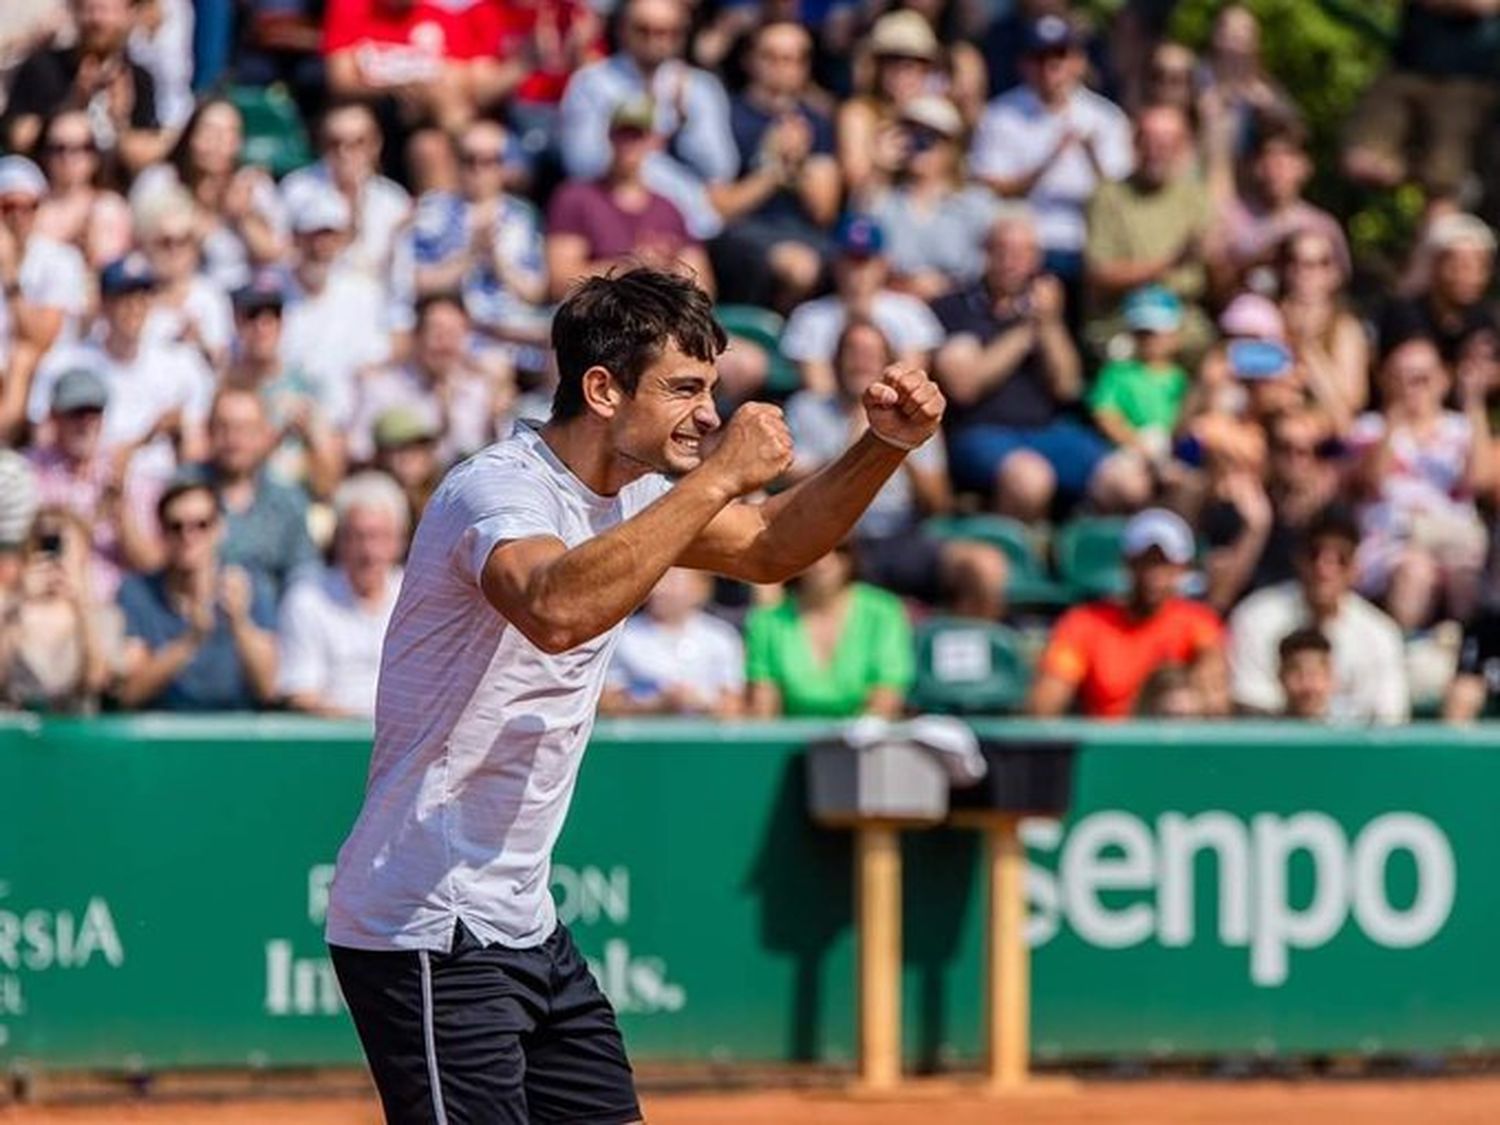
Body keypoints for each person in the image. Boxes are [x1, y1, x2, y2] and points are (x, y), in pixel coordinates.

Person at [324, 267, 944, 1125]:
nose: (707, 412)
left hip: (522, 921)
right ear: (604, 388)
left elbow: (769, 546)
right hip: (429, 922)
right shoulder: (496, 487)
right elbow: (554, 606)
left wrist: (884, 445)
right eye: (685, 388)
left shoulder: (637, 495)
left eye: (712, 389)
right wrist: (717, 478)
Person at [932, 206, 1144, 519]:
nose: (1010, 262)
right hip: (982, 432)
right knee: (1031, 480)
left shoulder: (1055, 311)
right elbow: (964, 385)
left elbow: (1067, 385)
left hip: (1050, 430)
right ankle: (1019, 557)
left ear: (1036, 259)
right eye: (1002, 250)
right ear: (986, 253)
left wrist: (1050, 326)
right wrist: (1026, 330)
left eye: (1021, 253)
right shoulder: (956, 307)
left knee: (1129, 482)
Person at [786, 318, 1007, 618]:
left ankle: (963, 654)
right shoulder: (809, 408)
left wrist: (899, 444)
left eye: (871, 354)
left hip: (903, 535)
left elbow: (938, 504)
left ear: (886, 364)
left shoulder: (917, 417)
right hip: (836, 540)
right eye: (853, 352)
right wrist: (856, 448)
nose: (861, 362)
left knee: (985, 566)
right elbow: (790, 485)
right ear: (837, 361)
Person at [970, 13, 1132, 286]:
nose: (1050, 67)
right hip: (1028, 240)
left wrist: (1092, 159)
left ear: (1078, 62)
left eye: (1059, 57)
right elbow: (989, 185)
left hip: (1088, 241)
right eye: (1039, 58)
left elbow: (1121, 193)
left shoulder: (1106, 117)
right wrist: (1047, 162)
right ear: (1024, 64)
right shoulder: (1000, 115)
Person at [558, 0, 737, 240]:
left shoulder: (700, 86)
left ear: (682, 33)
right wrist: (651, 151)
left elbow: (720, 169)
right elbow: (583, 162)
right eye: (643, 29)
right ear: (622, 28)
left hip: (688, 228)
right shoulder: (591, 82)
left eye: (666, 32)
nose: (655, 40)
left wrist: (686, 123)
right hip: (610, 214)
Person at [29, 253, 214, 486]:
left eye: (143, 296)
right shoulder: (64, 363)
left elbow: (196, 449)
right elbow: (44, 442)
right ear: (104, 303)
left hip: (160, 489)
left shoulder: (181, 363)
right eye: (124, 297)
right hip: (83, 485)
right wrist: (144, 438)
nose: (135, 307)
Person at [1349, 336, 1492, 631]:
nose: (1410, 387)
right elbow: (1371, 480)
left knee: (1465, 573)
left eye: (1421, 378)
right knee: (1416, 571)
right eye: (1399, 378)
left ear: (1443, 379)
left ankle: (1464, 654)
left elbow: (1480, 481)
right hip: (1391, 540)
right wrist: (1394, 420)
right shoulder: (1369, 428)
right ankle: (1402, 649)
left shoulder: (1461, 429)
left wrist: (1474, 402)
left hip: (1453, 538)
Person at [1028, 508, 1228, 719]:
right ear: (1128, 563)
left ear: (1183, 569)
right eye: (1145, 562)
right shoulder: (1083, 624)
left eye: (1164, 564)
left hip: (1172, 744)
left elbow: (1215, 699)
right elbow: (1044, 704)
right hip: (1108, 743)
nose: (1154, 575)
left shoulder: (1198, 622)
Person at [1228, 505, 1409, 724]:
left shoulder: (1380, 633)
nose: (1325, 569)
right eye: (1315, 554)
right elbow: (1251, 706)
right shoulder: (1255, 617)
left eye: (1340, 558)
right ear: (1299, 560)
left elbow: (1388, 718)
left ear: (1355, 567)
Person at [116, 473, 278, 711]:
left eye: (201, 524)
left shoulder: (250, 586)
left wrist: (240, 623)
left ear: (220, 528)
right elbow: (130, 692)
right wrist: (190, 641)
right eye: (176, 527)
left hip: (236, 732)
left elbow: (268, 688)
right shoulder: (137, 592)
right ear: (162, 532)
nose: (188, 537)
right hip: (163, 735)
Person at [714, 20, 841, 311]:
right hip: (744, 230)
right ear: (749, 59)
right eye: (771, 57)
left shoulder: (817, 123)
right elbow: (719, 208)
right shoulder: (727, 115)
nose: (782, 67)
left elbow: (823, 211)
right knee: (798, 267)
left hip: (805, 232)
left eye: (793, 59)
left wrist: (797, 159)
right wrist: (773, 166)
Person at [545, 98, 714, 302]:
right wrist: (630, 268)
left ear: (654, 141)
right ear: (609, 135)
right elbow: (560, 283)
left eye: (638, 135)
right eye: (623, 134)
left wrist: (665, 271)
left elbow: (704, 288)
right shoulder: (576, 198)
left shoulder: (669, 207)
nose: (629, 144)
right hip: (601, 319)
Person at [404, 119, 548, 355]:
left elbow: (534, 292)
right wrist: (469, 256)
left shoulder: (521, 216)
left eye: (489, 161)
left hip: (514, 334)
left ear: (503, 166)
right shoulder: (433, 211)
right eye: (469, 159)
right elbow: (414, 283)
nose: (478, 170)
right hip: (456, 335)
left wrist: (497, 260)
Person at [1085, 103, 1214, 358]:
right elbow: (1101, 274)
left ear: (1183, 148)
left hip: (1184, 322)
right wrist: (1170, 263)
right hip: (1124, 322)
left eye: (1167, 143)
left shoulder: (1196, 197)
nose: (1157, 151)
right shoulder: (1108, 196)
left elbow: (1212, 272)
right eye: (1150, 141)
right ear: (1134, 144)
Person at [1342, 0, 1500, 208]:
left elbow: (1481, 5)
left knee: (1442, 187)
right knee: (1360, 163)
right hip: (1408, 72)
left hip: (1467, 84)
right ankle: (1424, 171)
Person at [24, 365, 160, 601]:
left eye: (94, 412)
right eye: (76, 413)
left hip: (113, 603)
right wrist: (92, 519)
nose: (86, 423)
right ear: (54, 417)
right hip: (51, 600)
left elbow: (149, 563)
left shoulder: (127, 475)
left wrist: (120, 508)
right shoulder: (30, 472)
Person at [277, 472, 406, 719]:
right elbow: (301, 692)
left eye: (379, 537)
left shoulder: (418, 597)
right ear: (340, 540)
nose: (369, 551)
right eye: (358, 537)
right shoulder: (307, 599)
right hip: (329, 743)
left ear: (399, 541)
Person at [132, 96, 286, 291]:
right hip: (173, 292)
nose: (217, 143)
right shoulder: (160, 180)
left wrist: (243, 217)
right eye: (209, 131)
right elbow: (143, 242)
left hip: (243, 297)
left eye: (228, 133)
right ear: (191, 135)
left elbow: (274, 253)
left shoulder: (252, 185)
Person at [780, 213, 944, 396]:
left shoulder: (911, 311)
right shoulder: (809, 316)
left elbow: (909, 386)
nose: (857, 271)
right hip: (831, 418)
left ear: (883, 264)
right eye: (850, 259)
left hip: (892, 413)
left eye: (865, 261)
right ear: (837, 263)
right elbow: (820, 391)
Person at [745, 542, 914, 718]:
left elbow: (888, 691)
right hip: (791, 742)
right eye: (812, 552)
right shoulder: (767, 622)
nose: (823, 563)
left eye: (837, 551)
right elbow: (764, 707)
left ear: (850, 558)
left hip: (865, 741)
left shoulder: (884, 612)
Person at [347, 293, 515, 467]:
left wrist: (494, 420)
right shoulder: (382, 387)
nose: (445, 343)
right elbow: (358, 449)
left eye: (454, 333)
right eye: (436, 332)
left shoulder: (480, 390)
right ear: (417, 336)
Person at [1, 0, 169, 174]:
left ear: (129, 14)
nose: (97, 19)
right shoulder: (44, 67)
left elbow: (149, 154)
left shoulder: (138, 78)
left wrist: (120, 121)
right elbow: (18, 139)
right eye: (89, 9)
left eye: (106, 10)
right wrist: (73, 104)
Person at [1200, 408, 1339, 612]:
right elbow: (1217, 599)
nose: (1296, 460)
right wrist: (1256, 529)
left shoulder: (1330, 517)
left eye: (1306, 451)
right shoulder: (1238, 511)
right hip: (1248, 619)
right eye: (1285, 448)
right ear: (1269, 452)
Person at [225, 271, 345, 499]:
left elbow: (329, 483)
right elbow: (230, 470)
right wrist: (277, 435)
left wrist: (309, 433)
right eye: (252, 315)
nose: (262, 326)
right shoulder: (227, 389)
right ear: (238, 323)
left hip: (301, 502)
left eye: (272, 315)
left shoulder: (308, 387)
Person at [279, 187, 393, 427]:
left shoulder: (364, 294)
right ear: (296, 238)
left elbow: (372, 363)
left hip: (345, 424)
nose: (321, 246)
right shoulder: (272, 292)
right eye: (313, 235)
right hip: (285, 418)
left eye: (329, 236)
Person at [869, 94, 998, 301]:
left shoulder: (975, 202)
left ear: (951, 148)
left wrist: (946, 286)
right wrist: (879, 169)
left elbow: (989, 267)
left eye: (928, 138)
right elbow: (859, 255)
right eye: (909, 136)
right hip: (894, 304)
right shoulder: (884, 199)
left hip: (959, 304)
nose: (916, 145)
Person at [197, 386, 319, 598]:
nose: (233, 439)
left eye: (244, 429)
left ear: (265, 434)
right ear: (208, 432)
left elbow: (304, 578)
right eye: (223, 427)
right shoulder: (184, 490)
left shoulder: (288, 502)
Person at [0, 155, 90, 442]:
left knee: (23, 359)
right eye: (8, 206)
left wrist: (11, 275)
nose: (19, 216)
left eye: (29, 206)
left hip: (44, 368)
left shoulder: (62, 259)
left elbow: (42, 337)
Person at [0, 507, 122, 713]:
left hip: (74, 737)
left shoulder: (105, 617)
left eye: (62, 545)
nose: (54, 556)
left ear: (83, 554)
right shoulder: (9, 611)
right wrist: (20, 606)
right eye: (44, 543)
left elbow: (95, 681)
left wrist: (81, 605)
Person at [280, 101, 412, 285]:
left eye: (358, 142)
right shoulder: (297, 189)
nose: (345, 152)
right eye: (335, 143)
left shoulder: (393, 199)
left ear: (375, 145)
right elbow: (282, 255)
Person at [600, 567, 745, 717]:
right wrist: (656, 705)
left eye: (671, 580)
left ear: (700, 588)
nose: (659, 589)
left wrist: (700, 703)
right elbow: (606, 703)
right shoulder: (622, 637)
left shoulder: (722, 637)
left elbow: (734, 707)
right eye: (656, 579)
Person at [1277, 228, 1369, 435]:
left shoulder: (1345, 329)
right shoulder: (1267, 319)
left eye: (1318, 263)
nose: (1304, 271)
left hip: (1327, 437)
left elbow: (1349, 405)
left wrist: (1306, 347)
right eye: (1295, 261)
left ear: (1334, 273)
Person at [1088, 285, 1191, 469]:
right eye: (1141, 332)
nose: (1149, 339)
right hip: (1130, 457)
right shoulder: (1116, 373)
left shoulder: (1182, 379)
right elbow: (1106, 416)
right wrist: (1139, 446)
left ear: (1176, 335)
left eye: (1157, 331)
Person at [1379, 213, 1498, 369]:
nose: (1469, 276)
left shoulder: (1485, 321)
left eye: (1479, 266)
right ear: (1435, 265)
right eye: (1458, 265)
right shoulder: (1404, 316)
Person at [137, 186, 235, 373]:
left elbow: (222, 366)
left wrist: (200, 344)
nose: (176, 251)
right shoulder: (132, 299)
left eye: (184, 240)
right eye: (166, 242)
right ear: (145, 245)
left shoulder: (210, 297)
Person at [32, 108, 133, 270]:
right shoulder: (28, 208)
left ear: (95, 155)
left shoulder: (109, 207)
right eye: (59, 148)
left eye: (81, 148)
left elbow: (110, 269)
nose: (68, 158)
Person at [1277, 626, 1334, 721]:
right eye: (1298, 675)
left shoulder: (1350, 730)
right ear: (1281, 676)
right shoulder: (1264, 732)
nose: (1307, 686)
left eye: (1314, 674)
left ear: (1330, 677)